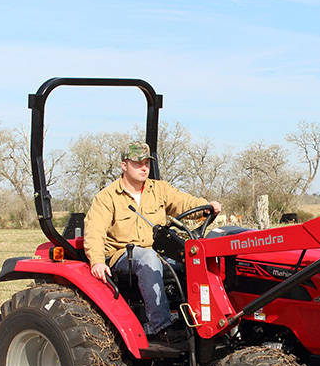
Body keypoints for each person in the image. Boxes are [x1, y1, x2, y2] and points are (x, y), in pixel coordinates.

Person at [86, 141, 222, 341]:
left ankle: (206, 321)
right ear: (124, 165)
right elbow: (95, 230)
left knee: (195, 258)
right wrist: (97, 260)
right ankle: (161, 328)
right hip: (124, 256)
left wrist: (206, 206)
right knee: (148, 258)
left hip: (159, 253)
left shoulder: (159, 189)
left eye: (147, 163)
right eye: (138, 163)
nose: (144, 167)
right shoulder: (107, 197)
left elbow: (184, 202)